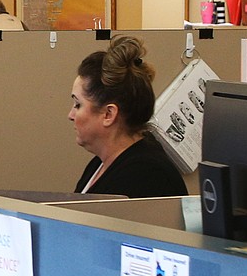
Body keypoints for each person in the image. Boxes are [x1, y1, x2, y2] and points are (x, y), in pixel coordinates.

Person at [69, 35, 187, 198]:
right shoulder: (100, 164)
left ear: (108, 114)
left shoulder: (147, 175)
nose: (71, 115)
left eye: (78, 105)